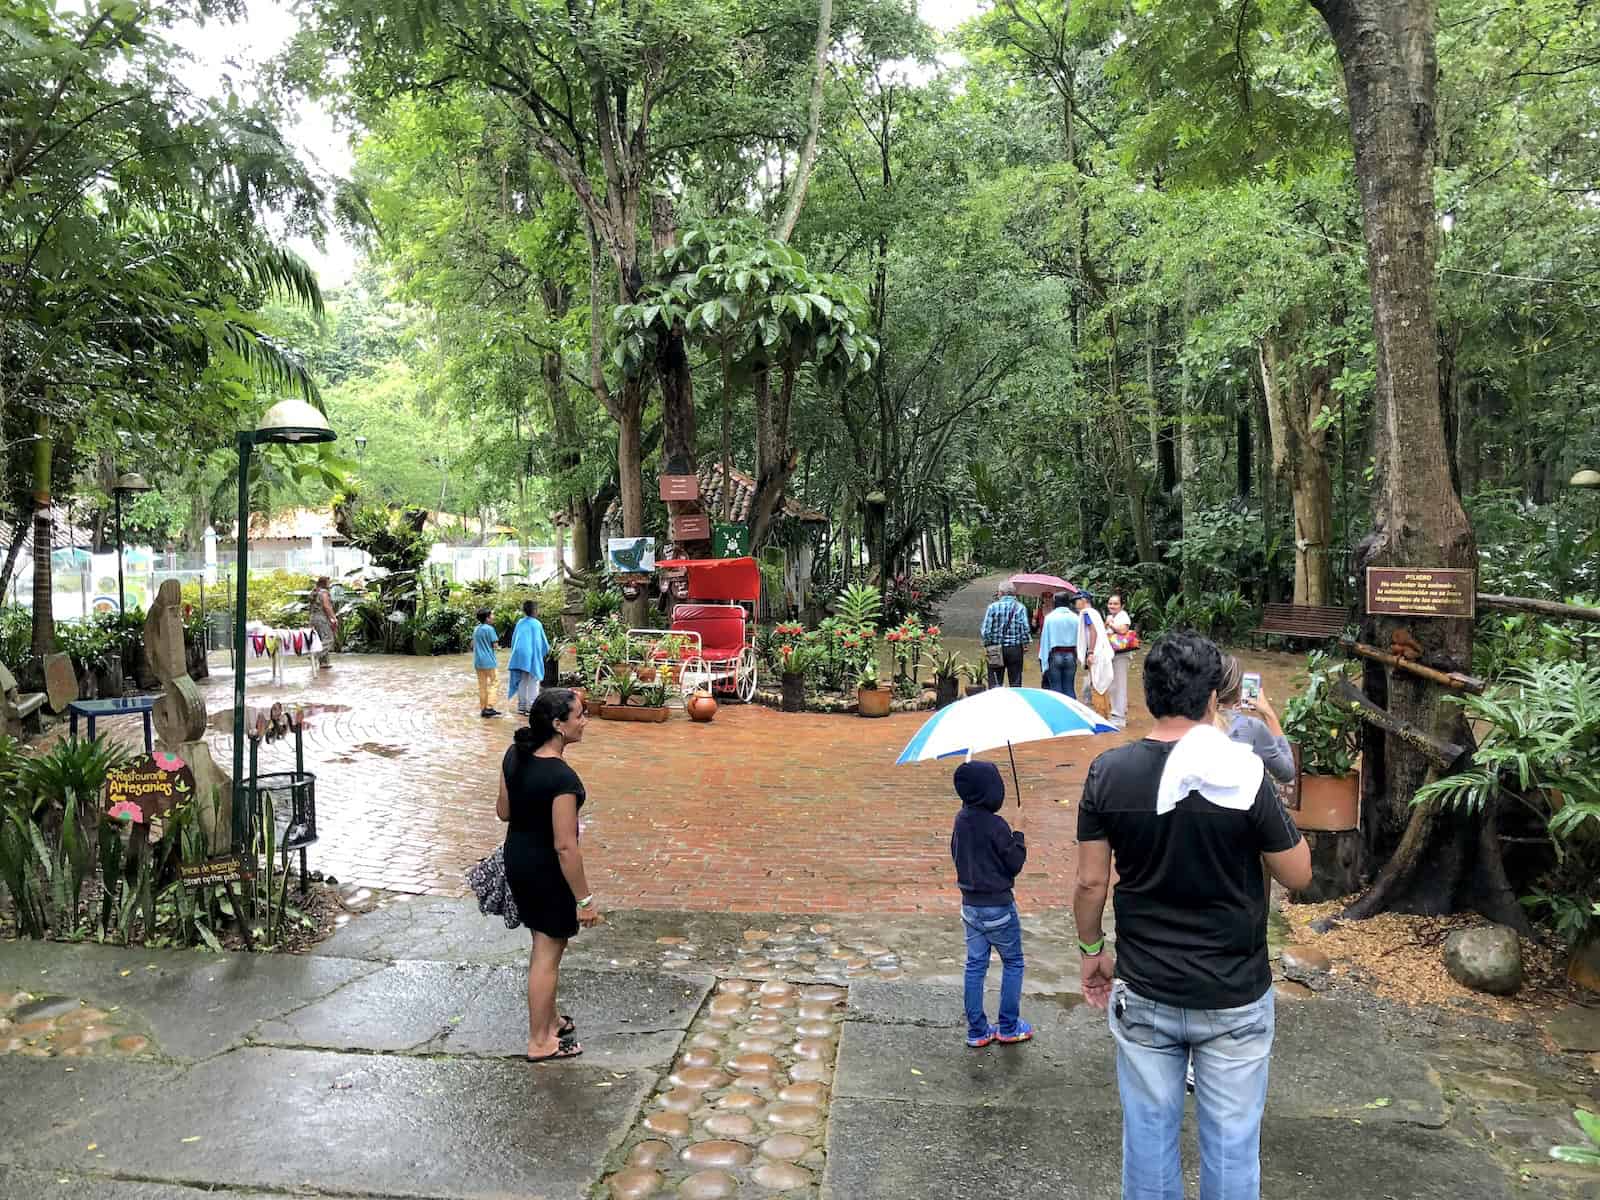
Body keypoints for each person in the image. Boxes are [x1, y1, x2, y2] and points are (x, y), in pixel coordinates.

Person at [1074, 630, 1311, 1200]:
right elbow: (1298, 874)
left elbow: (1089, 881)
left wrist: (1091, 952)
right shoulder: (1244, 773)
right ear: (1212, 700)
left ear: (1153, 695)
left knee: (1148, 1142)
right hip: (1233, 990)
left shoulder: (1110, 772)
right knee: (1232, 1147)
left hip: (1147, 985)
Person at [499, 688, 601, 1062]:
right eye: (579, 715)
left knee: (542, 941)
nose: (584, 721)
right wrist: (585, 900)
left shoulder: (515, 755)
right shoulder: (562, 779)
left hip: (517, 860)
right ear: (559, 726)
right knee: (548, 953)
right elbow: (565, 846)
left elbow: (504, 812)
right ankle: (540, 1040)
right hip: (547, 869)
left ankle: (551, 1019)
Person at [950, 760, 1032, 1048]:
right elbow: (1014, 863)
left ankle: (977, 1030)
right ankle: (1008, 1026)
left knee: (975, 965)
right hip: (998, 907)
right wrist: (1018, 833)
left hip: (970, 907)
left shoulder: (961, 819)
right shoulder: (997, 825)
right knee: (1013, 962)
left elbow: (956, 853)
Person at [1216, 655, 1295, 783]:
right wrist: (1269, 714)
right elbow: (1287, 773)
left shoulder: (1190, 721)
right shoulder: (1252, 728)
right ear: (1239, 690)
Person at [980, 581, 1031, 688]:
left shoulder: (992, 607)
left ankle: (997, 703)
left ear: (1001, 593)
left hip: (995, 648)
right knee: (1015, 682)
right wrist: (1025, 644)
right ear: (1013, 593)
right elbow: (1025, 629)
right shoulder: (1020, 607)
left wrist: (988, 644)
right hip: (1015, 649)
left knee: (995, 683)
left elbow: (986, 631)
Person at [507, 599, 551, 715]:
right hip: (530, 655)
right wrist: (545, 652)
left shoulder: (520, 622)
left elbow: (514, 640)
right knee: (533, 680)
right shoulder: (537, 624)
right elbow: (542, 643)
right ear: (535, 611)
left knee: (522, 681)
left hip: (519, 656)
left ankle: (521, 707)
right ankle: (531, 708)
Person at [1075, 591, 1113, 718]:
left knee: (1096, 686)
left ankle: (1100, 717)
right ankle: (1107, 715)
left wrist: (1090, 652)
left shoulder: (1087, 613)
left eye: (1077, 600)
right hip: (1103, 652)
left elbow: (1093, 631)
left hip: (1096, 653)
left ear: (1084, 600)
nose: (1075, 603)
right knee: (1102, 685)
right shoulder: (1095, 613)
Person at [1038, 592, 1079, 698]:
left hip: (1055, 654)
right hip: (1071, 655)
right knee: (1069, 687)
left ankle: (1057, 712)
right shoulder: (1075, 618)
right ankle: (1072, 711)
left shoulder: (1050, 618)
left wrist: (1043, 663)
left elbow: (1045, 641)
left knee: (1056, 689)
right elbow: (1080, 639)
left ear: (1056, 602)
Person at [1105, 593, 1137, 730]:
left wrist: (1110, 624)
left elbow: (1123, 630)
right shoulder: (1112, 617)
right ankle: (1116, 713)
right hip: (1113, 655)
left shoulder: (1123, 616)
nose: (1112, 606)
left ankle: (1120, 717)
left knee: (1120, 685)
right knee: (1112, 685)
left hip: (1121, 655)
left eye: (1115, 603)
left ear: (1122, 605)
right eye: (1110, 603)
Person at [472, 608, 502, 719]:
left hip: (478, 662)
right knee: (495, 682)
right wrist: (499, 648)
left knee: (482, 686)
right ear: (487, 618)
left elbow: (473, 644)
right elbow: (495, 645)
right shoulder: (490, 629)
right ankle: (489, 707)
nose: (493, 617)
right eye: (492, 615)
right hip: (489, 661)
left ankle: (483, 708)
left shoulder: (476, 629)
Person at [308, 576, 337, 668]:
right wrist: (333, 618)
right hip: (322, 618)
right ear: (324, 583)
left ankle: (323, 663)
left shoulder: (314, 592)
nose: (330, 584)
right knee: (329, 639)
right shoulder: (323, 593)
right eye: (328, 582)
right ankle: (315, 654)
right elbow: (326, 606)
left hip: (313, 618)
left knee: (320, 639)